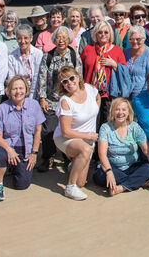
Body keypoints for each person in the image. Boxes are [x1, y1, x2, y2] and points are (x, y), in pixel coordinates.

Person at [0, 76, 44, 201]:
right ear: (9, 91)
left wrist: (34, 153)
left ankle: (14, 169)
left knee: (22, 185)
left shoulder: (34, 105)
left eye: (21, 88)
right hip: (7, 145)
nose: (18, 91)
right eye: (14, 89)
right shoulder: (3, 108)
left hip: (26, 148)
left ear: (26, 89)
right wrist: (9, 150)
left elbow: (37, 131)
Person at [37, 26, 83, 172]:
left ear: (69, 39)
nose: (61, 40)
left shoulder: (74, 56)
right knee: (48, 130)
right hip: (51, 100)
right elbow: (42, 78)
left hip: (69, 101)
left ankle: (67, 157)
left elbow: (79, 77)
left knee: (67, 130)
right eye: (58, 37)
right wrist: (42, 98)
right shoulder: (48, 56)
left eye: (64, 37)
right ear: (54, 39)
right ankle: (47, 157)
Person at [93, 98, 149, 196]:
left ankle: (121, 187)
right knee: (99, 176)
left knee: (148, 168)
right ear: (112, 111)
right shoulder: (105, 128)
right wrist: (109, 172)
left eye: (124, 110)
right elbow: (102, 154)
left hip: (131, 167)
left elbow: (147, 150)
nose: (120, 113)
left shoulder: (134, 127)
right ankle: (138, 182)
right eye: (117, 109)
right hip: (112, 168)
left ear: (129, 112)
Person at [53, 66, 101, 200]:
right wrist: (89, 136)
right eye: (65, 81)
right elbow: (66, 132)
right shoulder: (65, 101)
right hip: (65, 138)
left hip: (85, 138)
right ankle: (70, 187)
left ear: (78, 77)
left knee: (82, 182)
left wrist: (94, 111)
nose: (69, 83)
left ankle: (73, 164)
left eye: (71, 78)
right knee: (84, 150)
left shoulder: (90, 89)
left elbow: (98, 98)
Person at [81, 20, 127, 129]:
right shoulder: (88, 49)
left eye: (106, 32)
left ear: (110, 34)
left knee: (107, 125)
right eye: (100, 32)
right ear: (95, 34)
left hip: (108, 95)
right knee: (91, 124)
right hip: (91, 94)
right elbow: (81, 70)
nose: (103, 35)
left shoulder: (117, 50)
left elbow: (125, 72)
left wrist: (114, 64)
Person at [7, 24, 43, 99]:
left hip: (35, 92)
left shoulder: (38, 54)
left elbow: (37, 77)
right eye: (19, 38)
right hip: (18, 92)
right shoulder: (11, 56)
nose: (23, 41)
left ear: (31, 38)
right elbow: (12, 78)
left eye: (26, 38)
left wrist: (31, 97)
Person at [125, 25, 149, 98]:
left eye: (138, 39)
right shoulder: (126, 52)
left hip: (142, 96)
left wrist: (142, 96)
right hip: (126, 94)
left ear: (143, 39)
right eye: (131, 39)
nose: (134, 41)